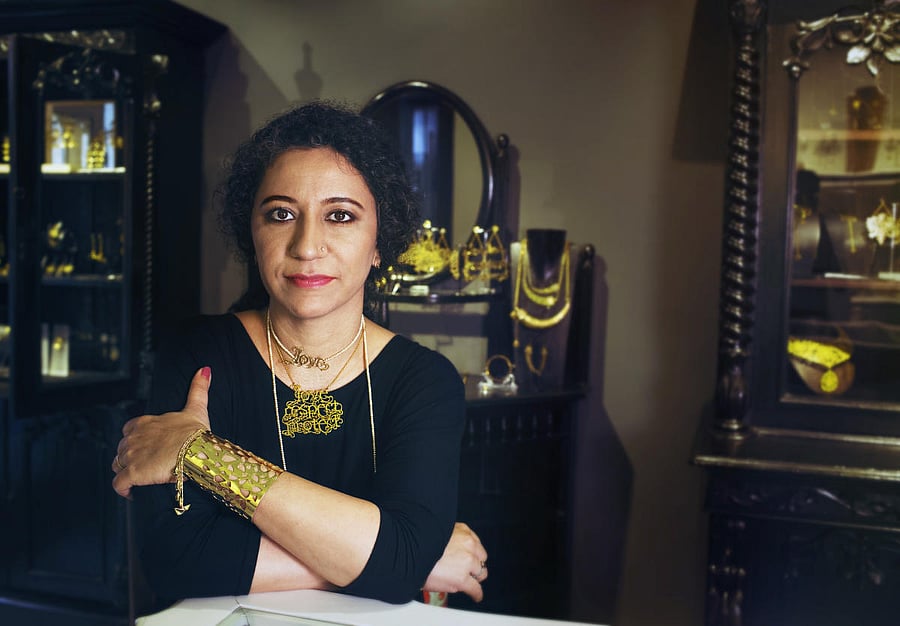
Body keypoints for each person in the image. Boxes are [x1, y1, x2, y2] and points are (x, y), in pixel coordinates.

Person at [110, 101, 488, 609]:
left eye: (340, 216)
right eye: (281, 214)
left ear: (380, 242)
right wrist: (393, 564)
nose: (307, 246)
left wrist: (204, 455)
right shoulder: (198, 354)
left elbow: (403, 558)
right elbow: (174, 560)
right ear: (252, 233)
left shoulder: (425, 380)